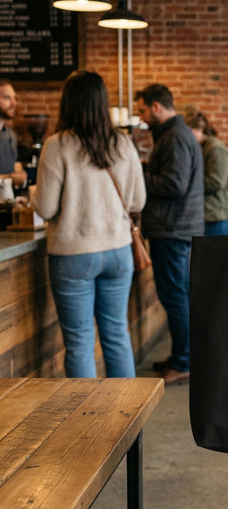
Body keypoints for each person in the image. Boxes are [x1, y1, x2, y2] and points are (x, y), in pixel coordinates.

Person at [31, 70, 146, 378]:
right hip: (118, 251)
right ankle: (131, 425)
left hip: (73, 254)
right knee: (117, 336)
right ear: (101, 102)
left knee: (80, 344)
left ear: (67, 102)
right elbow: (138, 202)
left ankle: (87, 426)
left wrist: (31, 194)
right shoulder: (122, 143)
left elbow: (45, 207)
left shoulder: (57, 145)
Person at [135, 84, 204, 386]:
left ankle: (184, 361)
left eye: (141, 110)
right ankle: (182, 355)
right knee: (178, 296)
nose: (140, 117)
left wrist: (141, 177)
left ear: (156, 107)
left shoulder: (175, 137)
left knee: (176, 297)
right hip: (176, 227)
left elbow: (174, 185)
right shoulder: (176, 134)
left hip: (173, 228)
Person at [184, 107, 228, 235]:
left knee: (216, 255)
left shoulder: (215, 148)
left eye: (189, 132)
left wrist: (189, 182)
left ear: (199, 129)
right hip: (208, 215)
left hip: (218, 216)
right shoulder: (202, 147)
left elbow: (216, 182)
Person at [0, 82, 27, 190]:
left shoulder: (11, 135)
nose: (14, 103)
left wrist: (20, 174)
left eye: (14, 98)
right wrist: (11, 178)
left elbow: (15, 165)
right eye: (7, 98)